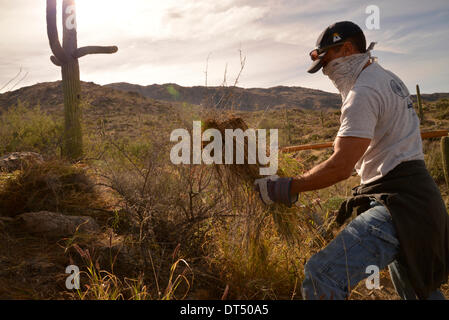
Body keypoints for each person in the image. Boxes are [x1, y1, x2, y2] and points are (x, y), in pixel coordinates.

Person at [254, 21, 449, 300]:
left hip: (398, 204)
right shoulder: (388, 79)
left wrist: (286, 187)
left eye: (327, 62)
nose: (326, 72)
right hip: (422, 203)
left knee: (321, 276)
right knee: (419, 292)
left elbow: (340, 166)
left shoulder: (363, 92)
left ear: (347, 49)